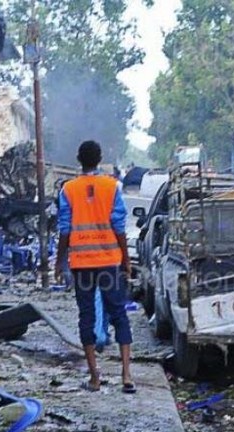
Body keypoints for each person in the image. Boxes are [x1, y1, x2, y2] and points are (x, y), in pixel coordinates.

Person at [54, 140, 134, 393]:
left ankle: (95, 378)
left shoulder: (68, 189)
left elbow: (65, 229)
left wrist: (59, 261)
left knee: (86, 317)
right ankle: (126, 376)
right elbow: (119, 226)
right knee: (119, 314)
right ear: (100, 159)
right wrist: (126, 258)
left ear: (79, 160)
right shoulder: (112, 187)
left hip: (81, 264)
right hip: (109, 261)